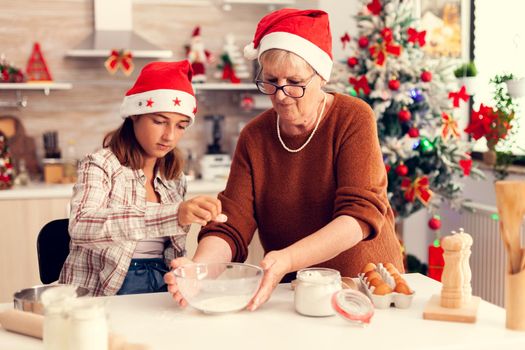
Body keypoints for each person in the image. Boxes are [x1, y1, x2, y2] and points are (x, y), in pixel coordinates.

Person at [165, 9, 403, 310]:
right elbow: (232, 223)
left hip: (365, 288)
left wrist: (288, 258)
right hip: (297, 292)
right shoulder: (255, 136)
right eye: (271, 81)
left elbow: (359, 217)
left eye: (295, 82)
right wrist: (198, 271)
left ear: (320, 77)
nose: (281, 95)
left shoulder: (353, 118)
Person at [59, 60, 225, 296]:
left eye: (181, 126)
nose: (169, 136)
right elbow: (82, 226)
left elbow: (173, 254)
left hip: (161, 282)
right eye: (159, 121)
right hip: (105, 292)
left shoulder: (174, 177)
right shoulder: (100, 164)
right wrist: (174, 213)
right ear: (134, 115)